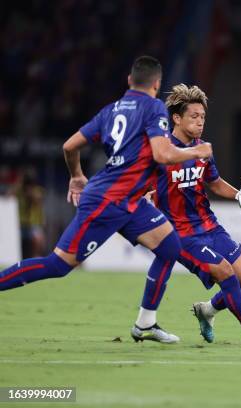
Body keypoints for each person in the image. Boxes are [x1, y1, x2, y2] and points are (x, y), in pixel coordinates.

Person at [0, 56, 213, 344]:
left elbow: (69, 145)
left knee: (169, 246)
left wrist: (76, 175)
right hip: (108, 201)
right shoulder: (153, 108)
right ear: (157, 84)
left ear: (129, 80)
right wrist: (195, 152)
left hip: (130, 201)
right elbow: (163, 155)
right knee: (58, 265)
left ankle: (145, 324)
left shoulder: (111, 110)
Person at [150, 83, 241, 347]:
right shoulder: (161, 151)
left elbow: (215, 182)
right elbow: (145, 187)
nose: (200, 122)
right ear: (177, 118)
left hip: (209, 227)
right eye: (194, 117)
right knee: (223, 270)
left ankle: (207, 310)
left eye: (203, 117)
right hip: (180, 235)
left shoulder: (203, 149)